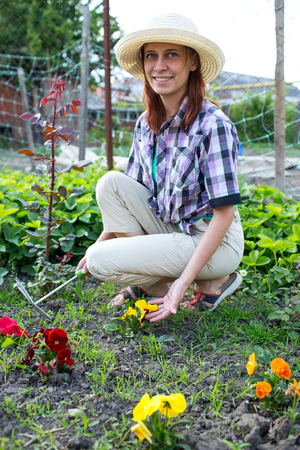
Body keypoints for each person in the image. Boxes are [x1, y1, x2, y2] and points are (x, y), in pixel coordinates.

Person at [76, 12, 244, 322]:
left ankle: (201, 277)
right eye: (151, 55)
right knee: (109, 184)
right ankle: (179, 281)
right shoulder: (145, 123)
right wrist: (96, 243)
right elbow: (130, 195)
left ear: (192, 62)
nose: (159, 65)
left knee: (102, 262)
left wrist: (180, 285)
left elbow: (225, 213)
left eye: (172, 55)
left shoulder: (213, 125)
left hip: (214, 239)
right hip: (172, 228)